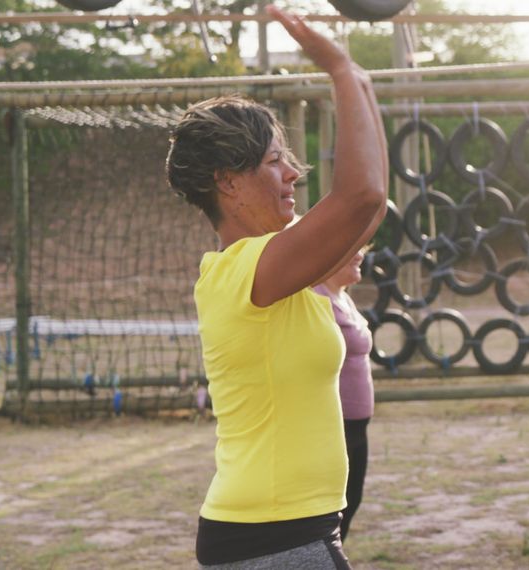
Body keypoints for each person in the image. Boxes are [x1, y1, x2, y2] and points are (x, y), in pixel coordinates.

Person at [166, 5, 388, 568]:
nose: (293, 173)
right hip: (269, 537)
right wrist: (339, 71)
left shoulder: (284, 268)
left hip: (293, 531)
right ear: (228, 182)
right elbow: (359, 196)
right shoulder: (243, 272)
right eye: (274, 161)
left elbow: (371, 205)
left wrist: (359, 81)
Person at [313, 249, 374, 542]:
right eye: (351, 250)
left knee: (351, 502)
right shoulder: (316, 297)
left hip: (357, 427)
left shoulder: (342, 296)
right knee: (333, 510)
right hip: (334, 427)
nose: (360, 256)